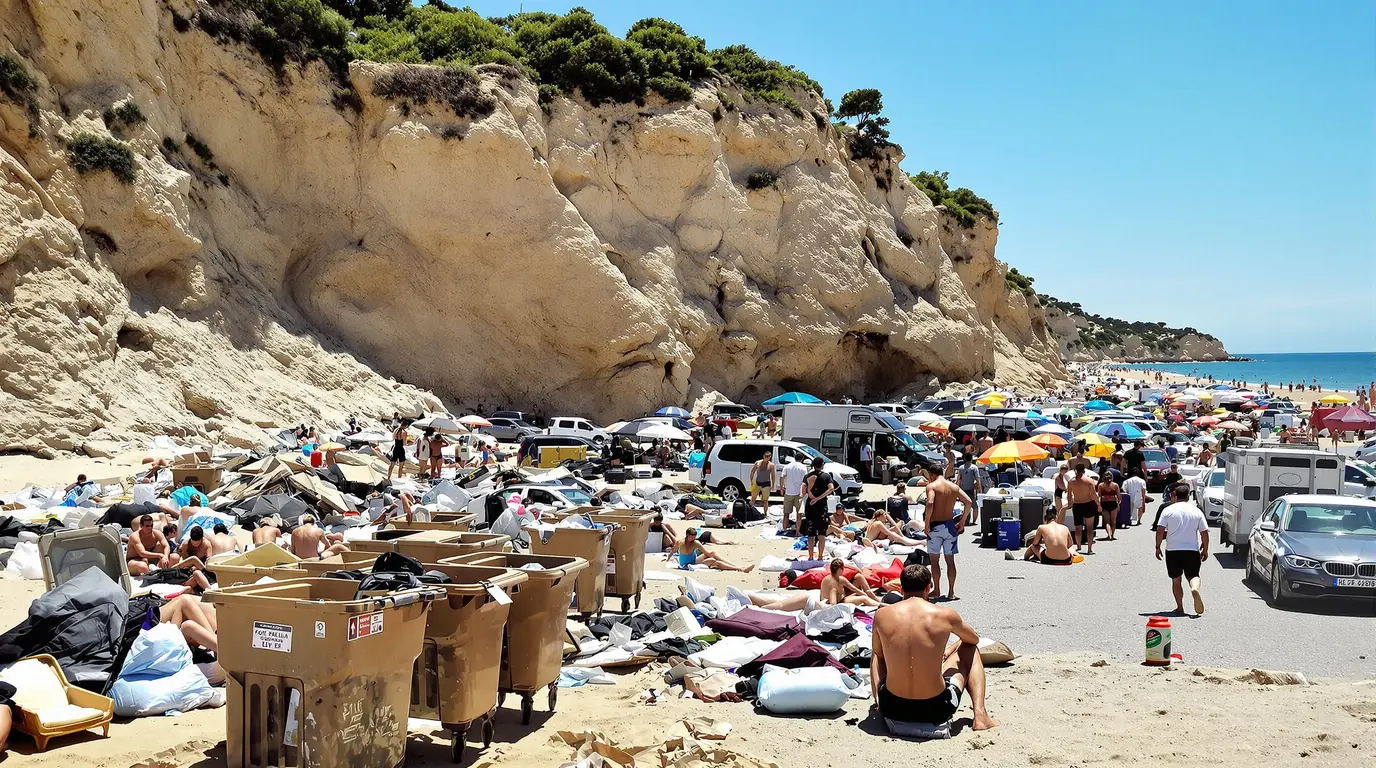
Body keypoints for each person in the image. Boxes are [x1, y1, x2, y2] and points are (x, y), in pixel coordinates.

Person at [870, 565, 997, 730]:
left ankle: (879, 703)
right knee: (970, 649)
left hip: (893, 707)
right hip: (936, 709)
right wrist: (952, 648)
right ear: (928, 588)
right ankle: (981, 715)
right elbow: (973, 639)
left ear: (901, 588)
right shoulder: (945, 614)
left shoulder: (882, 615)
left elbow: (880, 656)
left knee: (876, 654)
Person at [1154, 484, 1208, 615]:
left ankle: (1180, 607)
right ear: (1188, 496)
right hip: (1191, 550)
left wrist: (1157, 546)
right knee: (1193, 575)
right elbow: (1204, 532)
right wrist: (1205, 549)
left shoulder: (1168, 510)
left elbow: (1160, 529)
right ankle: (1194, 588)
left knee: (1176, 580)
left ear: (1175, 496)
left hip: (1173, 550)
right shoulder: (1196, 511)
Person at [921, 463, 972, 601]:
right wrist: (962, 521)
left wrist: (926, 525)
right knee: (950, 561)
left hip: (935, 527)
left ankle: (937, 590)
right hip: (950, 527)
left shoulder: (931, 486)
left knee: (934, 561)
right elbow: (968, 501)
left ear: (932, 475)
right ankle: (951, 593)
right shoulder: (954, 487)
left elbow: (930, 503)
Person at [672, 527, 753, 572]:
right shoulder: (691, 543)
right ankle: (740, 569)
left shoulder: (687, 542)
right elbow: (707, 553)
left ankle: (735, 566)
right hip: (688, 565)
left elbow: (673, 551)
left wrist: (669, 558)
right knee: (714, 561)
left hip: (691, 562)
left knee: (712, 554)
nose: (694, 538)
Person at [802, 457, 836, 562]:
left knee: (810, 534)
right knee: (822, 533)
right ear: (822, 465)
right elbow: (831, 488)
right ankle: (820, 556)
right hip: (821, 507)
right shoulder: (826, 476)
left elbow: (803, 492)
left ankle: (811, 556)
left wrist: (812, 496)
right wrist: (819, 498)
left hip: (810, 506)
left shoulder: (807, 476)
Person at [1066, 464, 1099, 555]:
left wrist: (1069, 504)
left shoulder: (1071, 481)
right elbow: (1093, 494)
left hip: (1077, 505)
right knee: (1089, 528)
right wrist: (1098, 504)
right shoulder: (1089, 480)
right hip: (1088, 504)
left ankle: (1079, 546)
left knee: (1078, 527)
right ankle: (1089, 549)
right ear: (1084, 470)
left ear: (1075, 470)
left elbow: (1069, 495)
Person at [776, 456, 808, 535]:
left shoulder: (787, 466)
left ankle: (784, 530)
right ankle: (797, 532)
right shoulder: (803, 467)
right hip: (799, 494)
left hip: (788, 492)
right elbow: (806, 480)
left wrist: (781, 488)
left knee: (786, 514)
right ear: (802, 459)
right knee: (799, 515)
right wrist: (806, 491)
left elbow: (782, 477)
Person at [1096, 471, 1121, 541]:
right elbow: (1119, 496)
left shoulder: (1101, 485)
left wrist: (1099, 505)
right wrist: (1118, 504)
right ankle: (1112, 535)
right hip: (1113, 503)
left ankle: (1109, 535)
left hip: (1104, 504)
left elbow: (1099, 496)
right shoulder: (1115, 485)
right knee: (1113, 521)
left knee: (1107, 522)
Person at [956, 457, 983, 522]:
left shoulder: (961, 468)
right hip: (971, 490)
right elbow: (977, 479)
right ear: (971, 459)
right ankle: (973, 521)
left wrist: (956, 490)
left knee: (965, 506)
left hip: (962, 490)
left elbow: (958, 480)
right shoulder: (974, 468)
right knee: (975, 507)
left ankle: (965, 520)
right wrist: (980, 490)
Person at [750, 451, 776, 516]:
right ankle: (749, 511)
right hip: (757, 483)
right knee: (753, 498)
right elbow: (752, 471)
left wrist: (773, 485)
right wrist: (751, 480)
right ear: (763, 456)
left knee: (765, 500)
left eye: (768, 456)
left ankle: (765, 513)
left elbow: (773, 475)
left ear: (770, 457)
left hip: (766, 484)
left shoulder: (771, 465)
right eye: (766, 456)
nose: (767, 458)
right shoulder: (758, 463)